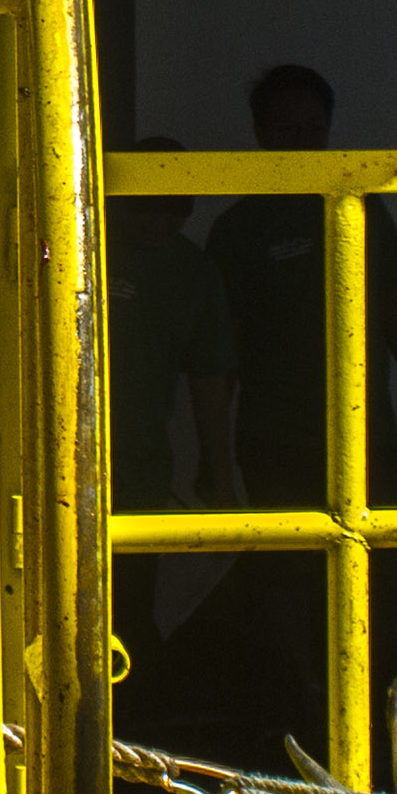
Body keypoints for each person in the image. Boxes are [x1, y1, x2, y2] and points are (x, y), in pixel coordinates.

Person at [204, 64, 397, 514]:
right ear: (261, 134)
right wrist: (216, 462)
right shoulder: (238, 229)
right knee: (291, 560)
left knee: (380, 557)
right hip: (276, 442)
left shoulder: (362, 209)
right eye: (288, 129)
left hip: (366, 436)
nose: (303, 141)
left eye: (315, 128)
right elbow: (220, 352)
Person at [106, 138, 237, 659]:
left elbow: (210, 377)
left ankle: (133, 700)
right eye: (146, 208)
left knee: (130, 608)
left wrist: (219, 476)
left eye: (174, 210)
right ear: (118, 198)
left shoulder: (193, 272)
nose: (159, 222)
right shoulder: (76, 245)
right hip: (58, 466)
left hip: (140, 469)